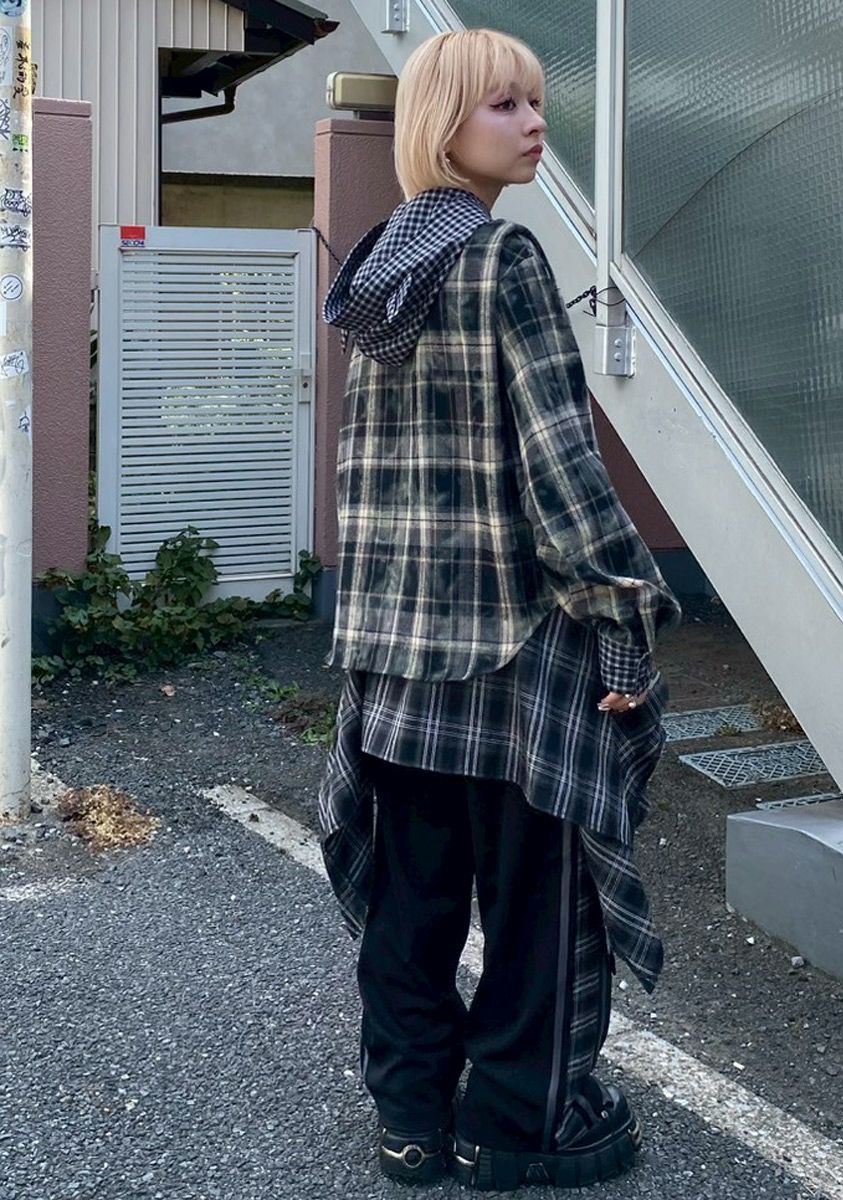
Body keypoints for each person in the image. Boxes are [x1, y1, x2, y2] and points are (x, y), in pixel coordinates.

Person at [318, 27, 681, 1192]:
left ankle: (411, 1122)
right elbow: (560, 465)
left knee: (412, 906)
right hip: (513, 654)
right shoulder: (501, 258)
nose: (534, 124)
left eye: (533, 101)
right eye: (504, 106)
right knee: (537, 906)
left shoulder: (380, 270)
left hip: (396, 655)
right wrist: (621, 617)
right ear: (443, 124)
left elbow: (368, 475)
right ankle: (517, 1124)